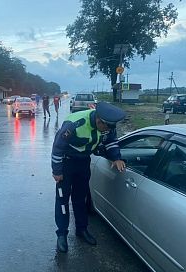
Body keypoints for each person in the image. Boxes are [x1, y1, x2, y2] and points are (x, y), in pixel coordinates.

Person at [51, 102, 126, 253]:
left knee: (81, 198)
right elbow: (57, 147)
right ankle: (62, 234)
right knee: (63, 200)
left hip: (83, 163)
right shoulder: (74, 124)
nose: (108, 131)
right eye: (105, 128)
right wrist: (57, 171)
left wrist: (116, 157)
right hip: (66, 164)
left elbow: (111, 142)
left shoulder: (108, 126)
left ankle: (81, 229)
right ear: (99, 120)